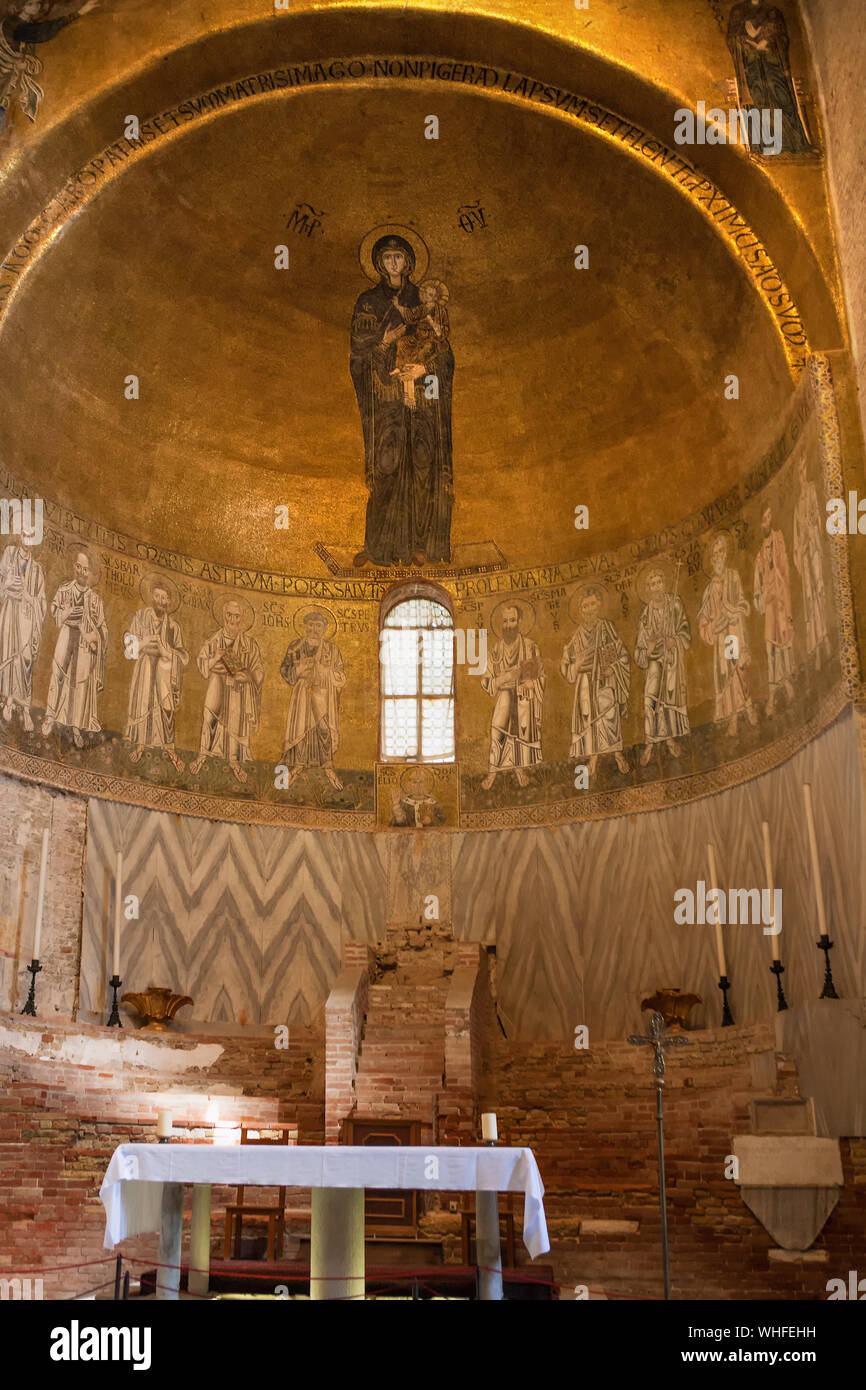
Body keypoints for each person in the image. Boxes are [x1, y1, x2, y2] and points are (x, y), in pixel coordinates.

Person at [350, 234, 454, 567]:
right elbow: (359, 355)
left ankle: (421, 545)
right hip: (387, 400)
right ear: (378, 263)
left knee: (423, 465)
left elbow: (445, 354)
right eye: (387, 258)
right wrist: (383, 343)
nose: (393, 263)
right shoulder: (368, 302)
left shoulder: (424, 299)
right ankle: (378, 546)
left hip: (423, 400)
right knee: (386, 466)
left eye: (398, 257)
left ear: (408, 262)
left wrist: (423, 369)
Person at [189, 599, 263, 783]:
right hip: (217, 684)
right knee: (209, 716)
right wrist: (215, 658)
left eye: (236, 616)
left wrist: (247, 676)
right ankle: (202, 755)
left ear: (241, 619)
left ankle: (234, 761)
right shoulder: (214, 640)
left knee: (234, 722)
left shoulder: (249, 644)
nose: (232, 619)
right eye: (229, 614)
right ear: (223, 615)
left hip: (237, 689)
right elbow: (202, 664)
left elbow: (258, 670)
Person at [560, 588, 630, 777]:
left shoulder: (606, 627)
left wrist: (612, 667)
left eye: (592, 604)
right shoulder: (576, 636)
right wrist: (577, 664)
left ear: (599, 605)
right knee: (588, 718)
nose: (589, 609)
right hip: (584, 681)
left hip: (605, 677)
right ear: (580, 611)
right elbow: (568, 670)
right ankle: (593, 758)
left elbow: (620, 652)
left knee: (609, 715)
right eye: (585, 606)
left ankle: (617, 753)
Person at [42, 549, 107, 747]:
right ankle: (50, 716)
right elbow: (54, 612)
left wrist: (95, 639)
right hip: (66, 637)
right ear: (74, 566)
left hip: (84, 644)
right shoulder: (64, 590)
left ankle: (77, 725)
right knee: (58, 674)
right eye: (78, 566)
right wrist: (68, 611)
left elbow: (102, 628)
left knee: (80, 683)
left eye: (85, 569)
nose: (81, 572)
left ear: (91, 573)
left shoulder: (95, 600)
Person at [123, 579, 188, 770]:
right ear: (152, 596)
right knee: (144, 703)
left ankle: (170, 749)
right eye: (157, 596)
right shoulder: (140, 617)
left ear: (169, 601)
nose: (160, 601)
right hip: (144, 668)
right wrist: (143, 643)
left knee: (165, 709)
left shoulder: (173, 627)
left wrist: (166, 651)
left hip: (165, 673)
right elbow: (128, 648)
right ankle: (140, 746)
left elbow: (183, 656)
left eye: (164, 598)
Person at [698, 534, 757, 737]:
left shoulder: (733, 576)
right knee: (728, 677)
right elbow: (704, 620)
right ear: (712, 559)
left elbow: (741, 601)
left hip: (734, 631)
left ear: (726, 553)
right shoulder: (709, 589)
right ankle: (733, 717)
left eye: (721, 551)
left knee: (739, 670)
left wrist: (733, 611)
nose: (718, 556)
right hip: (723, 636)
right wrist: (714, 626)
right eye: (715, 554)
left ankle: (748, 705)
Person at [480, 604, 545, 789]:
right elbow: (486, 681)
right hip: (504, 697)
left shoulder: (530, 647)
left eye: (513, 620)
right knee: (497, 733)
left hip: (524, 697)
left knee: (519, 736)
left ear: (520, 622)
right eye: (505, 621)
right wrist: (506, 677)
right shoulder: (495, 651)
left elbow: (541, 675)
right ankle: (492, 774)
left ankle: (519, 771)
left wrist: (534, 683)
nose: (509, 625)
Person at [279, 610, 346, 789]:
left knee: (323, 729)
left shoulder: (332, 650)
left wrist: (324, 671)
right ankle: (298, 765)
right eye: (311, 625)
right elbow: (285, 671)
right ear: (305, 626)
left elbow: (340, 675)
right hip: (301, 694)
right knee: (301, 729)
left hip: (323, 695)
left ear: (324, 628)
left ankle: (328, 767)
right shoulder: (295, 646)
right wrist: (298, 671)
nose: (314, 629)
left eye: (318, 625)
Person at [634, 567, 691, 765]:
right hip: (654, 664)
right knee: (651, 701)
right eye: (652, 584)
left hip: (672, 660)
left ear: (664, 584)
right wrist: (648, 650)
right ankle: (650, 742)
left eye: (659, 582)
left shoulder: (674, 603)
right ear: (647, 589)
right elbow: (639, 653)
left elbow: (684, 631)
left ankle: (670, 740)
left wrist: (674, 641)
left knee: (668, 700)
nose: (656, 587)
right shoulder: (646, 615)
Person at [0, 532, 45, 731]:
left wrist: (29, 598)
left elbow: (42, 602)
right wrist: (7, 585)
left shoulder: (37, 569)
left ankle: (25, 707)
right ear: (20, 536)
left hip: (27, 618)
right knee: (10, 654)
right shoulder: (9, 555)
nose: (29, 541)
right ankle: (9, 701)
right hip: (10, 611)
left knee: (25, 659)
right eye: (26, 535)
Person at [753, 503, 795, 714]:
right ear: (761, 523)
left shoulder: (779, 541)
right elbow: (755, 595)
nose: (767, 521)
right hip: (770, 607)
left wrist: (786, 605)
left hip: (780, 602)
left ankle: (787, 686)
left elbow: (785, 570)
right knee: (771, 648)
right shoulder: (759, 558)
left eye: (770, 517)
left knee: (784, 644)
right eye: (764, 518)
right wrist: (763, 596)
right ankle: (773, 695)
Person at [792, 456, 830, 672]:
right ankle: (816, 645)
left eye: (804, 468)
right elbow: (797, 541)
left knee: (820, 592)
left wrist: (811, 534)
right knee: (809, 599)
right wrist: (801, 549)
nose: (802, 474)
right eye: (799, 471)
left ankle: (826, 638)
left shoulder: (813, 491)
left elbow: (818, 518)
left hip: (815, 549)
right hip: (806, 555)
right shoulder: (797, 506)